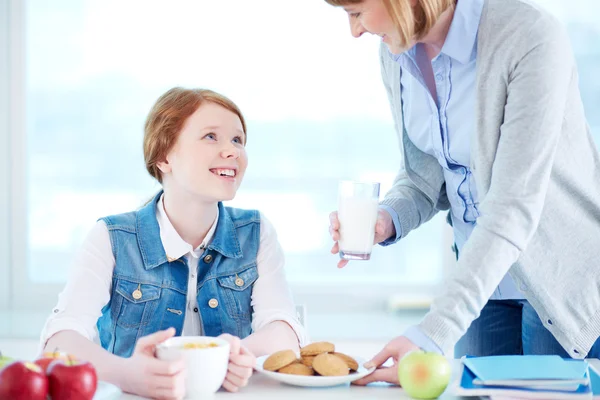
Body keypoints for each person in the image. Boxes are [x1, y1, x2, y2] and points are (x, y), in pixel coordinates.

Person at [325, 0, 600, 386]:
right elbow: (424, 175)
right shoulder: (397, 55)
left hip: (559, 278)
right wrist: (385, 219)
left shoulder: (529, 36)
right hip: (479, 285)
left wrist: (432, 333)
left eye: (356, 12)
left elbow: (512, 208)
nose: (355, 31)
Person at [40, 87, 307, 398]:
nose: (233, 151)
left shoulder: (256, 232)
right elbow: (60, 340)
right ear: (164, 156)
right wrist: (125, 374)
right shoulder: (111, 237)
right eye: (211, 136)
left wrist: (237, 355)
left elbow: (284, 330)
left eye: (238, 140)